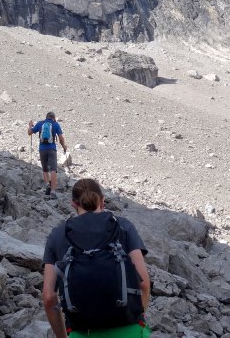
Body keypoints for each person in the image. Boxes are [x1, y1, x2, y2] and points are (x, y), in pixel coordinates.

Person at [41, 178, 152, 338]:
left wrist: (62, 336)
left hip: (82, 332)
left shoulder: (58, 234)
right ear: (103, 201)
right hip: (129, 331)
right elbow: (144, 284)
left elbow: (49, 297)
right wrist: (136, 317)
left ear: (73, 204)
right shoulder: (123, 226)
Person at [28, 111, 67, 196]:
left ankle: (47, 185)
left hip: (42, 149)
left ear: (46, 117)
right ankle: (53, 191)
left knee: (45, 169)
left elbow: (29, 132)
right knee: (53, 170)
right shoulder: (55, 124)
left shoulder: (40, 123)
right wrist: (64, 146)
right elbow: (61, 138)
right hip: (52, 149)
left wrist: (30, 126)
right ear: (54, 118)